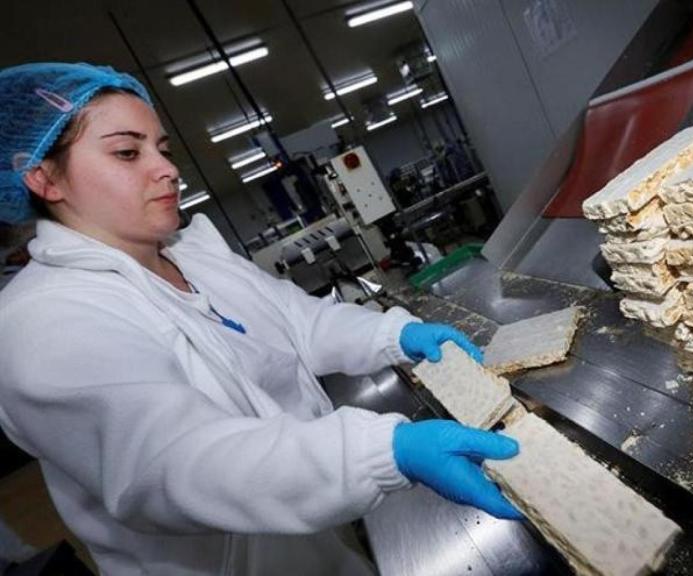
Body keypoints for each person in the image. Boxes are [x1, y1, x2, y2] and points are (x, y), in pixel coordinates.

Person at [0, 62, 522, 575]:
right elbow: (180, 464)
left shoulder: (194, 255)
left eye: (162, 149)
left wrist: (395, 334)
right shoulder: (42, 322)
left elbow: (301, 323)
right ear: (45, 178)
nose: (167, 169)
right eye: (126, 152)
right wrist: (384, 451)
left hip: (318, 535)